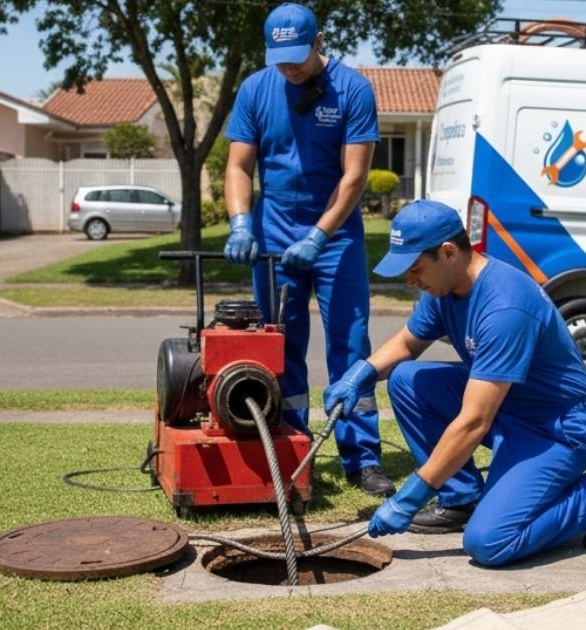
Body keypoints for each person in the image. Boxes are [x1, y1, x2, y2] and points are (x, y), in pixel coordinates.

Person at [323, 199, 586, 566]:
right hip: (508, 409)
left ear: (448, 252)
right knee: (405, 379)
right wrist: (361, 374)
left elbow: (473, 422)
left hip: (554, 431)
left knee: (489, 543)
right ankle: (460, 498)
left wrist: (410, 497)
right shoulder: (445, 289)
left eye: (415, 268)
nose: (410, 280)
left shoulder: (505, 307)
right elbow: (406, 343)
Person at [223, 3, 394, 496]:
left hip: (335, 233)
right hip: (273, 228)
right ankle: (291, 446)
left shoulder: (353, 90)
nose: (291, 68)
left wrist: (319, 235)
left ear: (320, 42)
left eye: (298, 56)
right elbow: (238, 167)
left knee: (349, 344)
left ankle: (361, 458)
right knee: (280, 344)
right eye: (281, 58)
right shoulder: (256, 88)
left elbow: (355, 176)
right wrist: (239, 223)